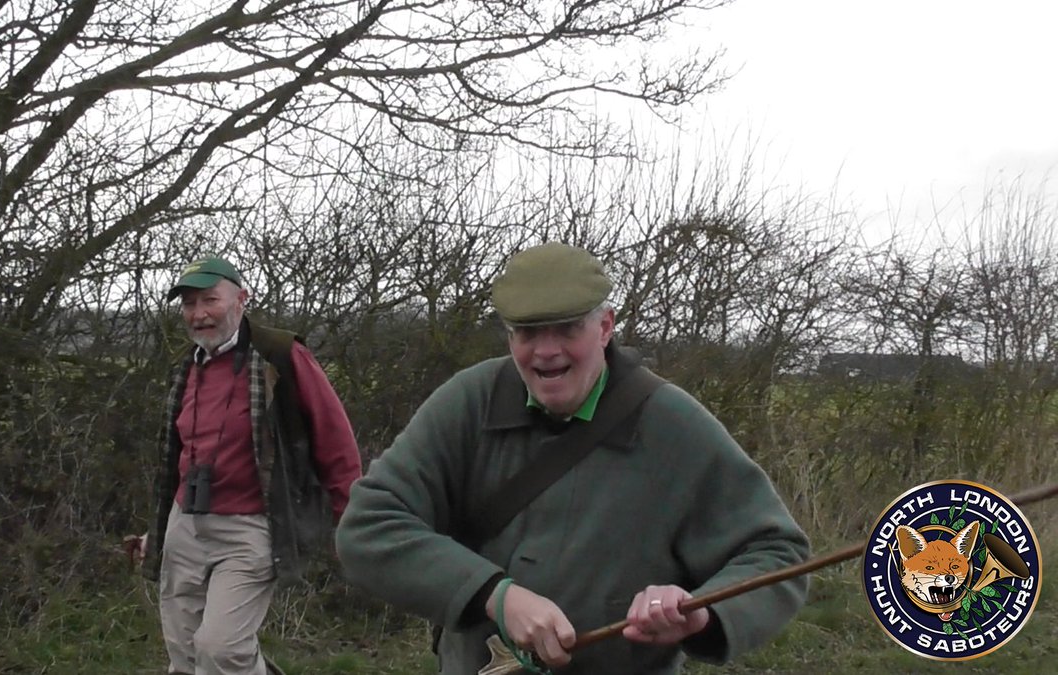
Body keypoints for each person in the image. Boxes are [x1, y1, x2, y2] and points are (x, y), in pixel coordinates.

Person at [334, 242, 810, 674]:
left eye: (566, 328)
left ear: (605, 327)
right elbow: (370, 526)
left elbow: (774, 552)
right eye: (527, 332)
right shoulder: (468, 404)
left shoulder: (672, 424)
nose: (546, 351)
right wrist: (494, 596)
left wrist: (700, 612)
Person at [132, 255, 362, 675]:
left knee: (220, 650)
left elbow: (335, 438)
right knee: (184, 656)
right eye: (188, 305)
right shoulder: (187, 366)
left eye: (209, 300)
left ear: (241, 298)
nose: (198, 314)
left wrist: (352, 519)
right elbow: (178, 458)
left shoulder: (279, 355)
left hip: (250, 527)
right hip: (187, 524)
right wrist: (160, 527)